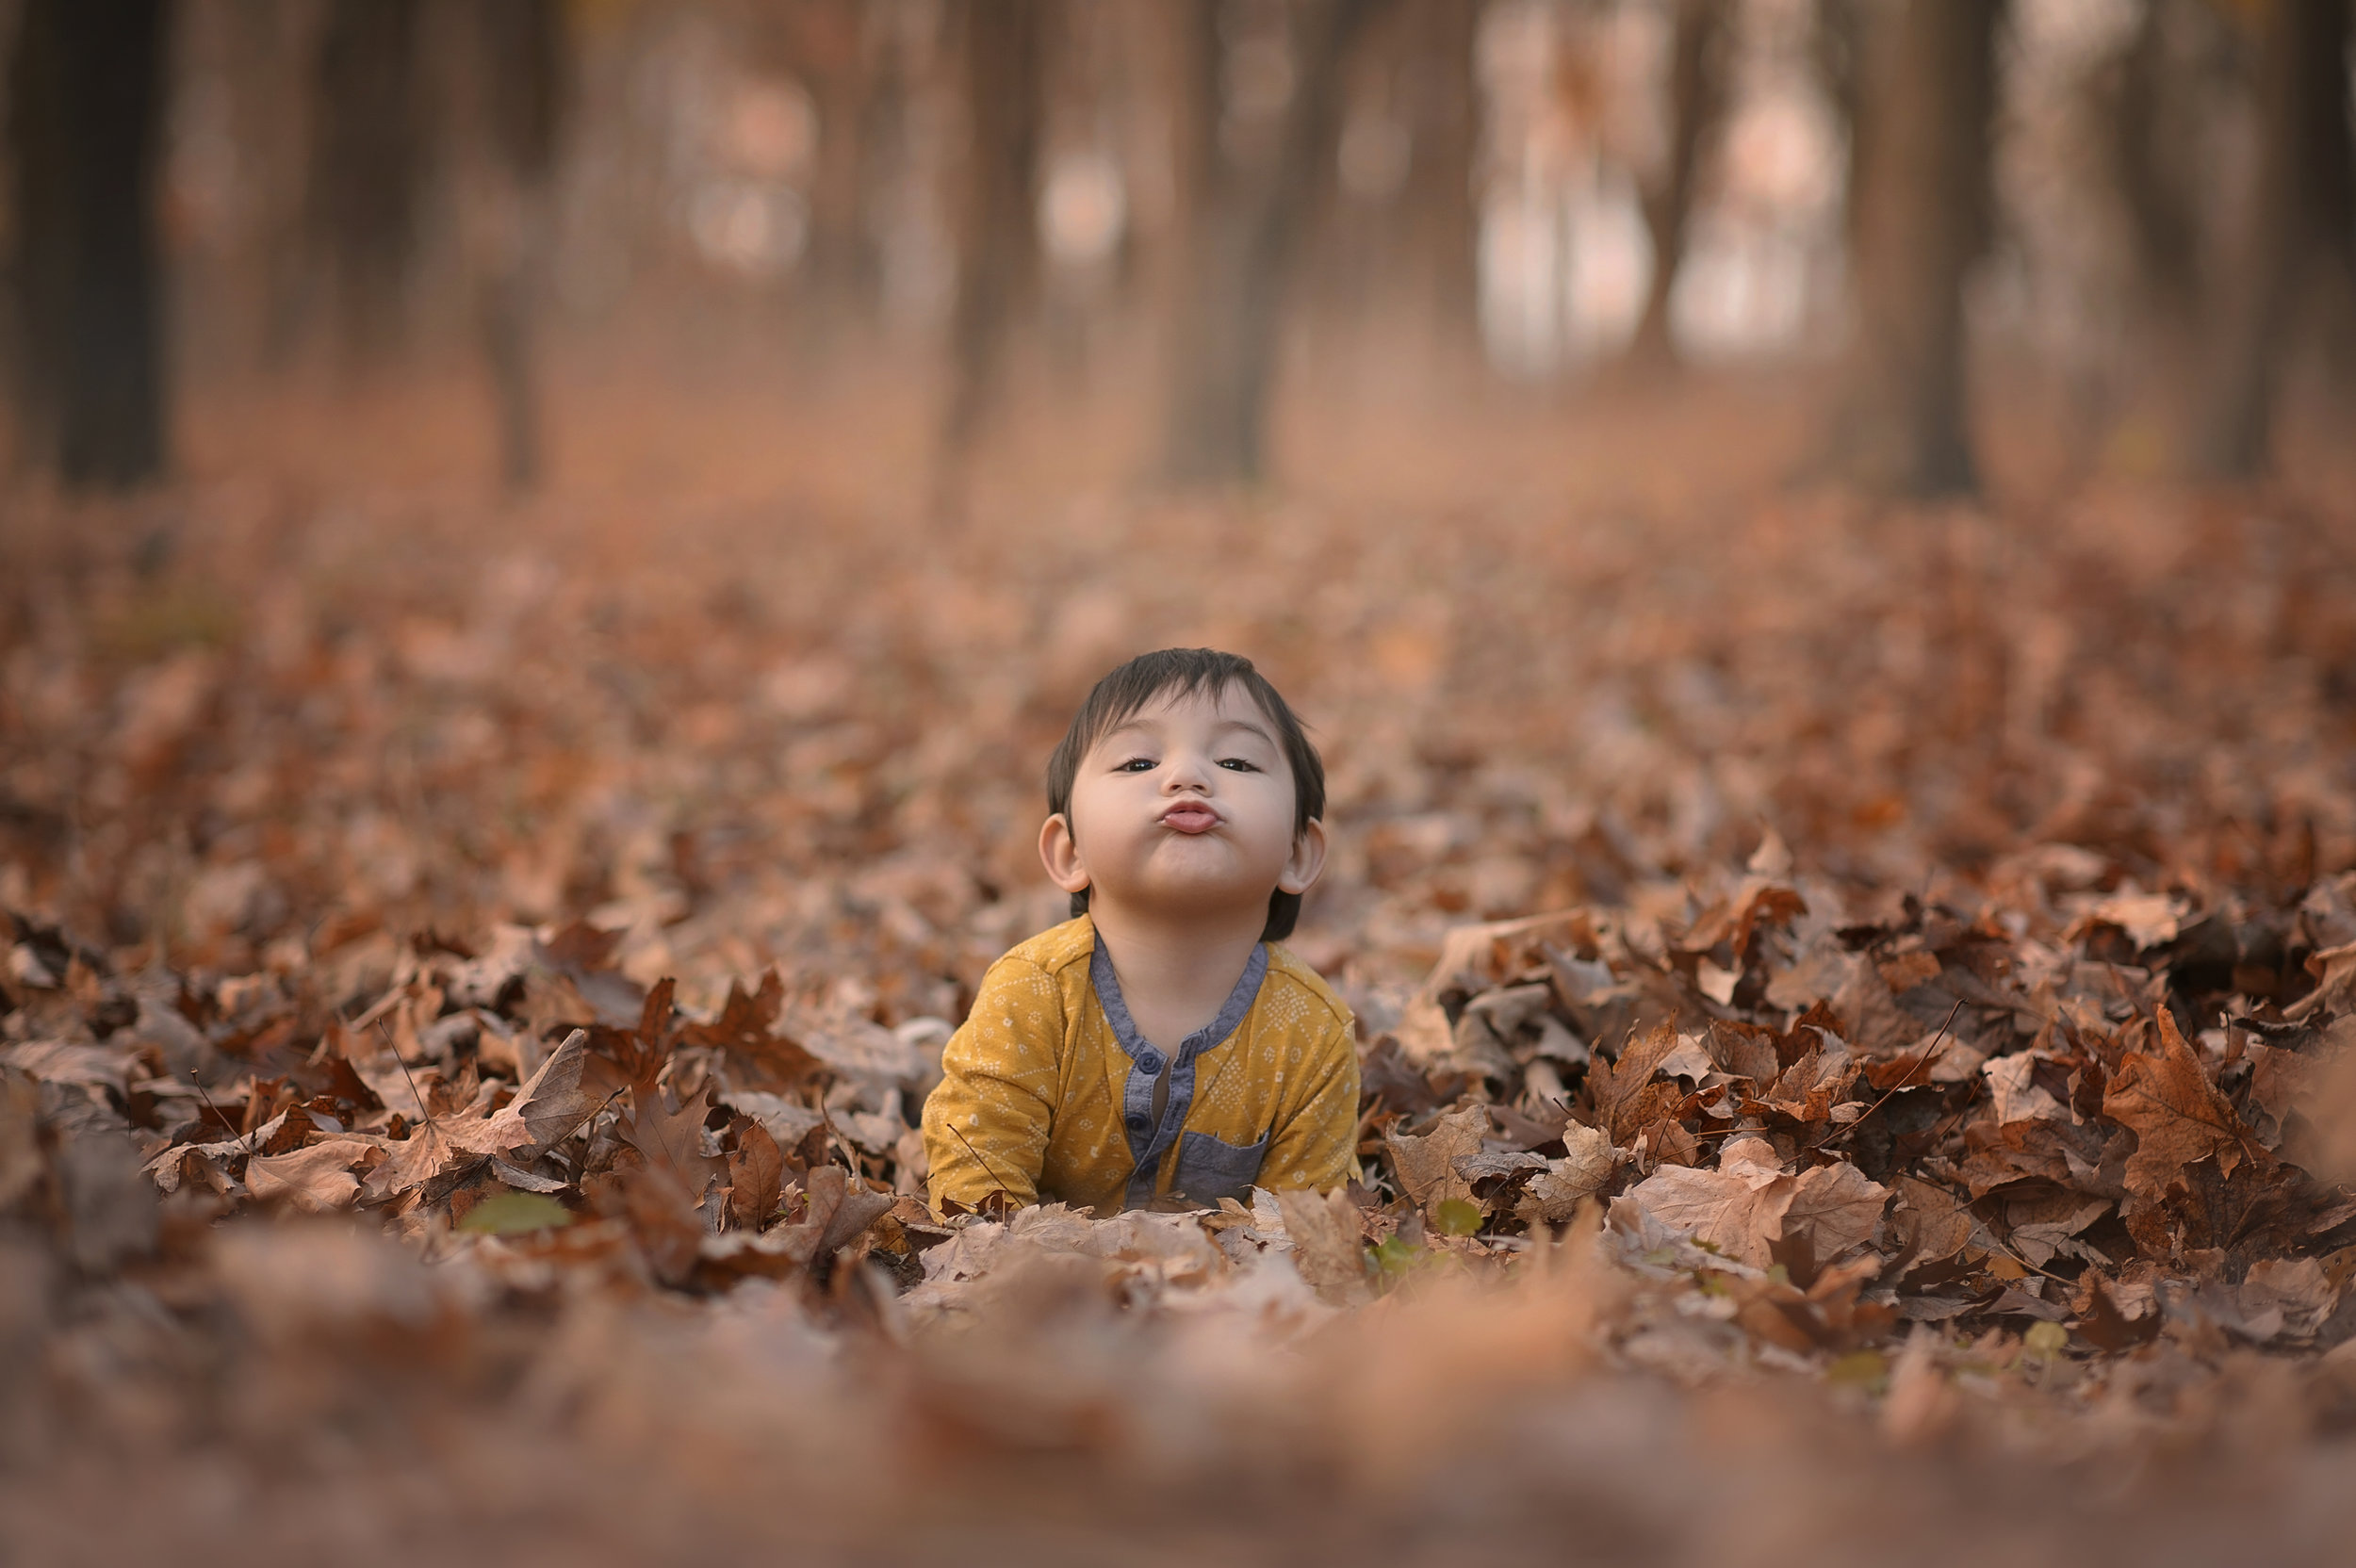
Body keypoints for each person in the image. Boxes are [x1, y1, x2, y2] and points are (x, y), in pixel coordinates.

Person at [922, 647, 1360, 1216]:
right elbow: (975, 1185)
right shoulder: (1033, 992)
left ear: (1299, 853)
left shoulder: (1312, 1032)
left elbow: (1305, 1234)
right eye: (1137, 763)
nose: (1187, 777)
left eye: (1235, 763)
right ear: (1068, 850)